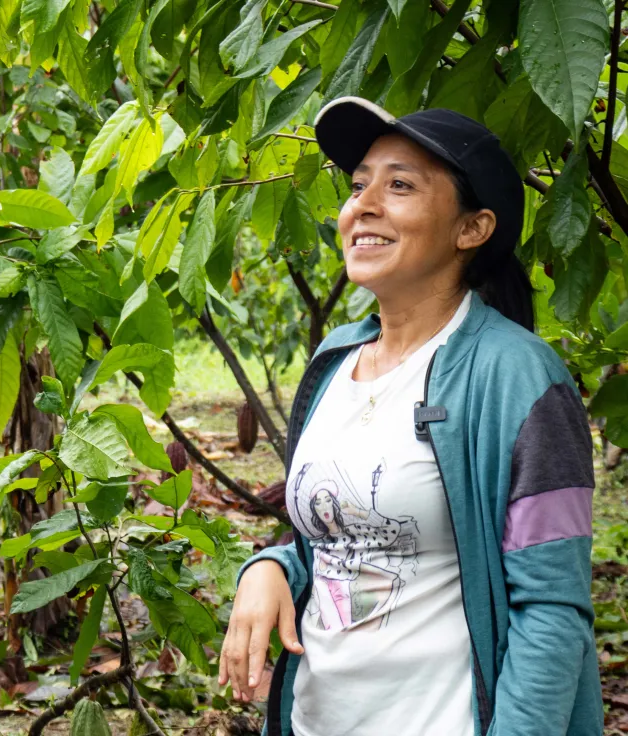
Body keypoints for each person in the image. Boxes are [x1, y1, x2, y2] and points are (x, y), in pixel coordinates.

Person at [217, 97, 601, 736]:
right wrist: (270, 567)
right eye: (359, 184)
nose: (363, 205)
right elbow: (341, 543)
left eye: (400, 185)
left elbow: (554, 611)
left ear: (472, 229)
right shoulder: (335, 358)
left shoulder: (518, 379)